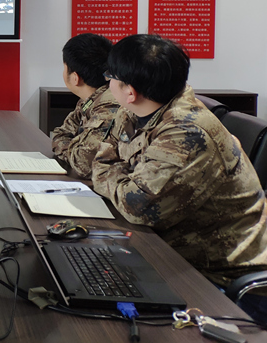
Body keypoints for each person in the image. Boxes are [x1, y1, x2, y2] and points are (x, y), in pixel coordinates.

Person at [93, 34, 267, 289]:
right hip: (171, 247)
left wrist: (110, 173)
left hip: (217, 275)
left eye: (110, 76)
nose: (108, 82)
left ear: (130, 92)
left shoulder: (187, 132)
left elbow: (137, 207)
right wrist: (119, 177)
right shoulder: (135, 110)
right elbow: (104, 161)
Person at [51, 33, 118, 179]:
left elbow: (83, 164)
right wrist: (75, 148)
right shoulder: (90, 100)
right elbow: (61, 133)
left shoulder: (109, 105)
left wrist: (68, 147)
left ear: (75, 78)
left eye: (64, 68)